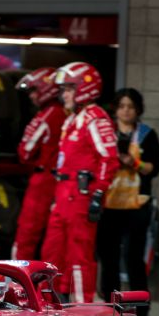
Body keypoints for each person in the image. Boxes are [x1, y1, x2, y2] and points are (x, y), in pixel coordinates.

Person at [41, 61, 119, 303]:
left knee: (79, 255)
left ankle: (82, 306)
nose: (63, 94)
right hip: (63, 193)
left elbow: (109, 158)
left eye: (68, 89)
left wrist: (98, 194)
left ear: (83, 89)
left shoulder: (96, 119)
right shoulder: (72, 119)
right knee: (52, 251)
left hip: (81, 195)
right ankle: (50, 303)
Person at [96, 88, 159, 316]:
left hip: (137, 204)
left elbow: (153, 168)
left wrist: (133, 162)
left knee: (134, 258)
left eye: (131, 107)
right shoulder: (105, 133)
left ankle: (141, 311)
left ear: (138, 110)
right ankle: (111, 309)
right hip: (109, 203)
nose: (126, 111)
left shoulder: (146, 134)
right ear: (115, 108)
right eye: (122, 106)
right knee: (109, 258)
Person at [11, 67, 65, 260]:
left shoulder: (48, 115)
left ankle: (19, 276)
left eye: (34, 90)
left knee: (27, 234)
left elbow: (24, 152)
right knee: (55, 239)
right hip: (61, 182)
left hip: (43, 182)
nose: (31, 96)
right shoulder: (65, 113)